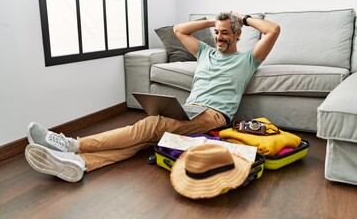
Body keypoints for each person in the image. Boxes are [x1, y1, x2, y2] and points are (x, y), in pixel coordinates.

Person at [25, 12, 280, 182]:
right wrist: (211, 21)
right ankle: (80, 164)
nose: (219, 37)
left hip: (215, 116)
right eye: (217, 32)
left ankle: (72, 145)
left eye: (225, 33)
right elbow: (179, 30)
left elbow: (273, 30)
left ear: (237, 35)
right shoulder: (205, 52)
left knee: (151, 124)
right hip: (190, 109)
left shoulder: (248, 59)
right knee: (147, 138)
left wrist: (243, 18)